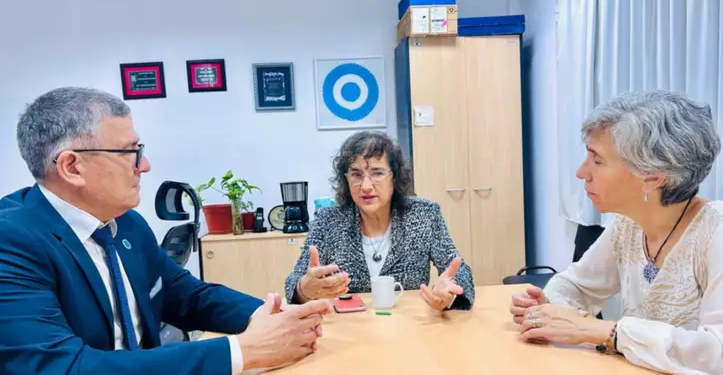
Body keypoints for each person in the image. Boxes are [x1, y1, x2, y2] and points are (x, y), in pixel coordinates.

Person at [0, 87, 333, 375]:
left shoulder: (126, 223)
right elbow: (60, 367)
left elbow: (188, 296)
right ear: (72, 167)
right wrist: (242, 351)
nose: (144, 166)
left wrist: (274, 316)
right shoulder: (11, 241)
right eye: (131, 153)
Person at [509, 91, 723, 374]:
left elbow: (717, 351)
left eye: (597, 160)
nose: (581, 172)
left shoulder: (715, 232)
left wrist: (604, 332)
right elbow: (577, 285)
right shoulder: (628, 225)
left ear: (652, 177)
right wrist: (547, 305)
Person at [284, 131, 475, 311]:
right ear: (346, 179)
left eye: (377, 173)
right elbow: (294, 283)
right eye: (356, 175)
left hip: (410, 326)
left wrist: (449, 294)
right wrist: (303, 290)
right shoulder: (328, 221)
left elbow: (458, 271)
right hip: (349, 328)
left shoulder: (424, 214)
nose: (366, 186)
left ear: (395, 177)